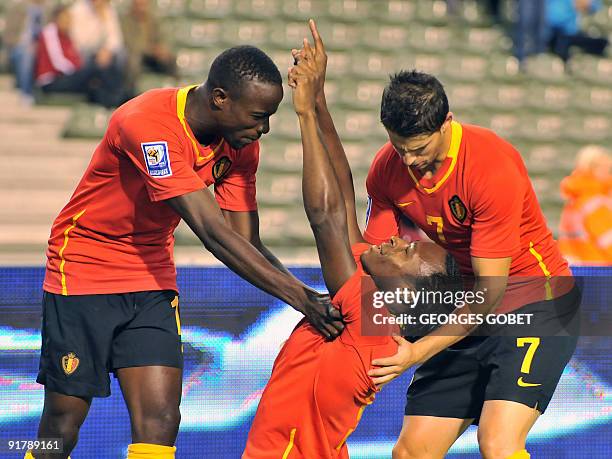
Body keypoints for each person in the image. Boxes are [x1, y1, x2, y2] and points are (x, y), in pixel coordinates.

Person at [26, 45, 343, 459]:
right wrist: (303, 300)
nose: (263, 129)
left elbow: (244, 240)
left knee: (161, 421)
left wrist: (308, 295)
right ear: (219, 99)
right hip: (83, 269)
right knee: (62, 425)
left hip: (150, 275)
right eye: (258, 116)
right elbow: (211, 232)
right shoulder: (146, 125)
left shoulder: (241, 142)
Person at [243, 21, 461, 459]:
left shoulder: (370, 320)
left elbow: (324, 216)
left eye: (409, 252)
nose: (399, 240)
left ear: (407, 293)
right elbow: (343, 194)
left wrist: (303, 114)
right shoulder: (375, 299)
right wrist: (319, 97)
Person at [362, 69, 580, 459]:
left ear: (446, 123)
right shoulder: (385, 169)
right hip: (469, 308)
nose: (409, 160)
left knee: (497, 445)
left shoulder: (490, 167)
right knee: (410, 453)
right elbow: (371, 255)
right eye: (399, 147)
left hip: (535, 305)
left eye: (419, 148)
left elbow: (491, 291)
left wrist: (418, 350)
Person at [35, 4, 125, 108]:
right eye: (64, 19)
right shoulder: (49, 32)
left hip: (67, 77)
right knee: (95, 67)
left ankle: (114, 104)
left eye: (68, 20)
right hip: (52, 81)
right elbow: (58, 62)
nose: (67, 23)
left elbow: (76, 57)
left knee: (96, 86)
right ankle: (122, 97)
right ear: (56, 20)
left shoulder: (67, 36)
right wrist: (80, 72)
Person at [558, 145, 612, 265]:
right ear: (592, 168)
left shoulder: (575, 198)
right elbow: (607, 240)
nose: (608, 173)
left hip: (576, 266)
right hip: (599, 268)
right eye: (604, 167)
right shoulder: (594, 201)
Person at [68, 0, 126, 106]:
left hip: (105, 54)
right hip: (85, 53)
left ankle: (113, 98)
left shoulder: (108, 10)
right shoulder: (77, 10)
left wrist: (107, 49)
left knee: (121, 55)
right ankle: (113, 100)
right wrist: (99, 21)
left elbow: (116, 39)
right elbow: (80, 42)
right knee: (100, 64)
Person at [121, 0, 178, 98]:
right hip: (137, 56)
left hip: (153, 57)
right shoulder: (125, 21)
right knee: (134, 61)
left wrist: (161, 49)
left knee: (169, 58)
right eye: (138, 4)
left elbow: (162, 38)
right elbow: (130, 44)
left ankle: (176, 92)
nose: (141, 6)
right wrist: (151, 49)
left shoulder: (153, 20)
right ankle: (131, 95)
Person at [3, 0, 46, 105]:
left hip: (42, 47)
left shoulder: (47, 9)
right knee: (27, 55)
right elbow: (8, 34)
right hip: (19, 46)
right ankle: (26, 94)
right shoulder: (18, 8)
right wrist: (20, 44)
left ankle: (40, 91)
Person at [546, 0, 609, 67]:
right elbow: (555, 20)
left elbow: (594, 6)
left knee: (601, 42)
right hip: (556, 34)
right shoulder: (561, 6)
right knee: (562, 42)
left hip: (568, 34)